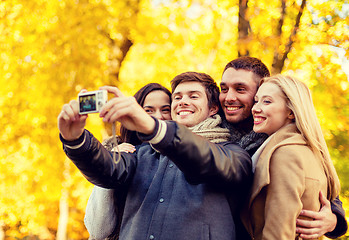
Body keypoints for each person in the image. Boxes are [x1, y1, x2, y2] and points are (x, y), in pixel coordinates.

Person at [58, 72, 252, 240]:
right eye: (177, 97)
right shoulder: (141, 154)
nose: (183, 101)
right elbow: (106, 169)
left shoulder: (233, 154)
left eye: (193, 96)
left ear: (213, 109)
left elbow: (205, 159)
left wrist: (154, 127)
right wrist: (75, 139)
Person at [219, 56, 347, 239]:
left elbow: (323, 195)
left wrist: (334, 219)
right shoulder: (212, 133)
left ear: (291, 111)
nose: (229, 97)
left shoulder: (283, 148)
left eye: (240, 89)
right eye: (224, 89)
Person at [84, 83, 172, 239]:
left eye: (165, 110)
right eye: (148, 111)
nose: (159, 117)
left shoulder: (181, 157)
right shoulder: (119, 151)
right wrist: (111, 164)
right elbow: (98, 230)